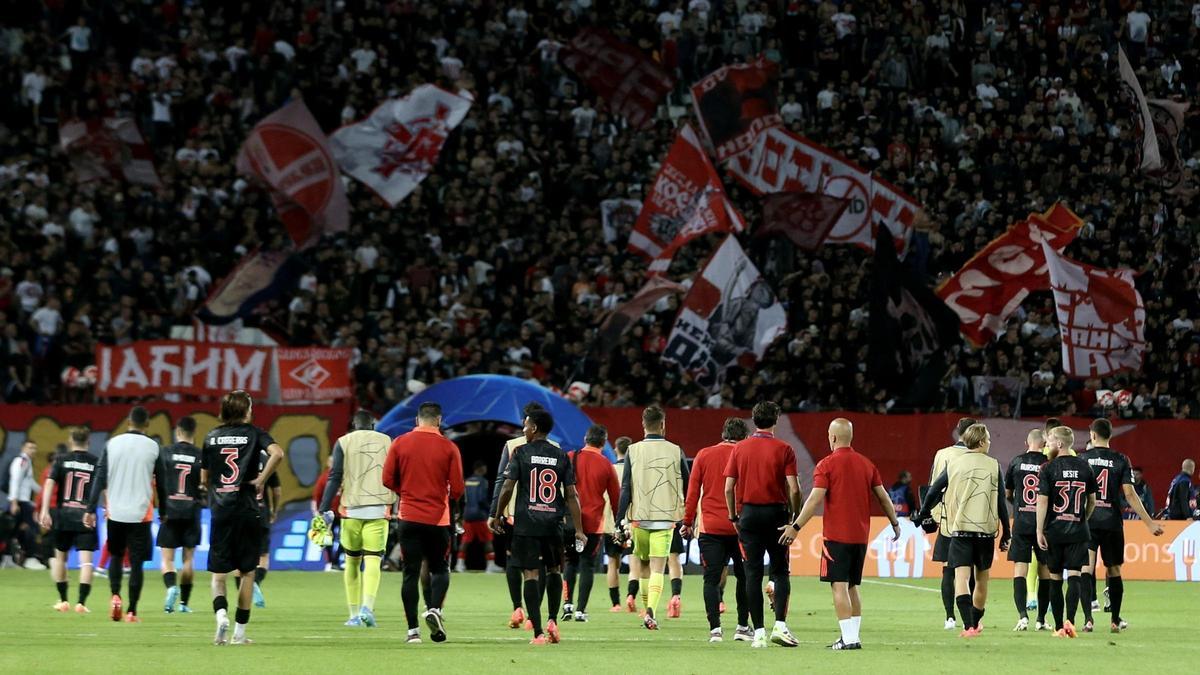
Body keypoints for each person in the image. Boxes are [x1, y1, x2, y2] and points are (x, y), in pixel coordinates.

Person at [782, 418, 900, 650]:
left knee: (839, 586)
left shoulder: (826, 465)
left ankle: (849, 638)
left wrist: (795, 527)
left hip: (836, 537)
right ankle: (852, 636)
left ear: (833, 437)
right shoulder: (867, 464)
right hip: (860, 537)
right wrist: (894, 523)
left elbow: (815, 498)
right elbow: (883, 496)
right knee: (852, 586)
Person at [490, 408, 586, 645]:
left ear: (533, 428)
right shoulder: (561, 455)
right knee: (554, 570)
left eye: (525, 426)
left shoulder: (521, 452)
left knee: (531, 574)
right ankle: (553, 621)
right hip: (554, 523)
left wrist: (497, 514)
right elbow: (572, 495)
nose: (523, 430)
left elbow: (507, 486)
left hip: (527, 524)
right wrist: (580, 529)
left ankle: (538, 633)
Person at [200, 391, 285, 645]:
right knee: (247, 572)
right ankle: (239, 632)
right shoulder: (255, 433)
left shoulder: (211, 437)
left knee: (218, 574)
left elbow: (203, 479)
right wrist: (260, 480)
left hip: (221, 509)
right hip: (248, 509)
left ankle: (221, 615)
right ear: (246, 410)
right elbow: (278, 453)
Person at [915, 423, 1010, 639]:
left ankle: (967, 626)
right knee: (982, 580)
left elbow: (933, 492)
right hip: (985, 532)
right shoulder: (994, 465)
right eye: (988, 438)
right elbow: (1001, 502)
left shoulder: (954, 463)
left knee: (961, 578)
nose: (990, 442)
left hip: (959, 532)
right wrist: (1007, 531)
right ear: (982, 441)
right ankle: (975, 622)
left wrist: (922, 513)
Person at [382, 402, 465, 644]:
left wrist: (405, 491)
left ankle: (412, 632)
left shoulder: (400, 442)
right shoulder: (449, 447)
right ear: (438, 421)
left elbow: (387, 478)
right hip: (438, 518)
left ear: (417, 420)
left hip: (408, 516)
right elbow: (458, 488)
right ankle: (435, 610)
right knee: (439, 568)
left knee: (410, 573)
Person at [723, 401, 801, 648]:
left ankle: (758, 633)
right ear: (776, 420)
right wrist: (794, 517)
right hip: (777, 514)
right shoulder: (785, 448)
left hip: (749, 515)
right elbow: (795, 488)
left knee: (752, 574)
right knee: (780, 570)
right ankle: (780, 625)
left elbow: (728, 487)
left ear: (753, 420)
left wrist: (734, 516)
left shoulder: (740, 448)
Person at [1079, 419, 1163, 633]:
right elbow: (1130, 494)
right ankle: (1115, 620)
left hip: (1087, 522)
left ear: (1092, 434)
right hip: (1111, 522)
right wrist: (1149, 522)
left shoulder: (1083, 459)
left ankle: (1088, 619)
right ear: (1110, 436)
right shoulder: (1121, 459)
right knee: (1113, 569)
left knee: (1086, 569)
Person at [84, 406, 163, 623]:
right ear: (147, 424)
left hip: (116, 511)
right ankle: (131, 611)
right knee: (136, 564)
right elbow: (163, 482)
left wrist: (90, 508)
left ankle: (115, 596)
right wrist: (163, 510)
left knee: (117, 557)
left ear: (128, 422)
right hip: (141, 514)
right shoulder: (153, 447)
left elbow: (99, 478)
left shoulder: (112, 444)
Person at [318, 410, 397, 627]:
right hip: (379, 509)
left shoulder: (343, 442)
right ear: (373, 425)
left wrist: (324, 508)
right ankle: (367, 608)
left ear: (354, 425)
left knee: (352, 561)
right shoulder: (386, 441)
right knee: (373, 560)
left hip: (351, 510)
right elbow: (393, 474)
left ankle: (353, 615)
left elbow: (334, 477)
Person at [617, 404, 689, 631]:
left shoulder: (633, 450)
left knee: (645, 567)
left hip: (639, 518)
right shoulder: (676, 450)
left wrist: (620, 520)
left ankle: (647, 610)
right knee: (659, 568)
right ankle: (651, 612)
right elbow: (688, 486)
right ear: (663, 425)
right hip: (666, 519)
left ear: (643, 425)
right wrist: (690, 516)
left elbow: (626, 487)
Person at [489, 402, 561, 629]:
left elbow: (502, 479)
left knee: (515, 560)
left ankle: (517, 607)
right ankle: (536, 615)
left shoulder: (513, 446)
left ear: (529, 423)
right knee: (544, 564)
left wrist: (495, 512)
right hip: (547, 515)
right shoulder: (555, 447)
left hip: (514, 513)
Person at [682, 417, 751, 643]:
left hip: (711, 528)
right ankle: (742, 627)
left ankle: (715, 630)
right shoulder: (746, 455)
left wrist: (686, 522)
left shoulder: (704, 455)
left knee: (711, 579)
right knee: (745, 578)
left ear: (724, 433)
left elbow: (693, 492)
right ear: (744, 437)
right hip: (741, 527)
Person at [1035, 426, 1097, 638]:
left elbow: (1042, 501)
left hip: (1054, 530)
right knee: (1075, 576)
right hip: (1078, 531)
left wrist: (1039, 529)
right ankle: (1071, 623)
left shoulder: (1048, 468)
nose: (1048, 444)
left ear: (1060, 444)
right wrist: (1083, 519)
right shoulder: (1085, 467)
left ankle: (1059, 626)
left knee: (1055, 579)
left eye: (1050, 440)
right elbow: (1092, 501)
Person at [561, 424, 619, 622]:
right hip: (593, 523)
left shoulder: (570, 457)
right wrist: (619, 523)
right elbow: (616, 497)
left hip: (569, 521)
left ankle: (567, 604)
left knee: (570, 562)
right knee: (587, 565)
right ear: (603, 442)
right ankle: (580, 610)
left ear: (586, 439)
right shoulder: (606, 464)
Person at [38, 427, 98, 613]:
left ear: (71, 441)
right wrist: (108, 507)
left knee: (60, 559)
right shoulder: (96, 462)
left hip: (64, 515)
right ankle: (81, 603)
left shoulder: (61, 460)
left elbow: (49, 484)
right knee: (86, 562)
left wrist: (45, 510)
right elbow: (103, 487)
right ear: (88, 442)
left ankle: (64, 600)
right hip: (85, 516)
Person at [924, 417, 976, 630]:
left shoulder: (942, 454)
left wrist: (931, 514)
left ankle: (949, 617)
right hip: (972, 519)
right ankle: (970, 617)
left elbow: (933, 486)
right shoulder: (979, 457)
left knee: (948, 568)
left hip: (947, 517)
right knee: (968, 568)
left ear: (958, 431)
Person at [156, 416, 203, 614]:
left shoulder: (165, 452)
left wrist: (161, 508)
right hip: (192, 510)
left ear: (177, 432)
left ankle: (171, 588)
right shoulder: (201, 456)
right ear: (194, 433)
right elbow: (204, 484)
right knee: (188, 559)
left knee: (167, 558)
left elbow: (158, 481)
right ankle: (184, 603)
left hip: (170, 510)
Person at [1004, 429, 1050, 631]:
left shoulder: (1015, 462)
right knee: (1045, 571)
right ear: (1044, 443)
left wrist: (1018, 505)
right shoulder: (1049, 463)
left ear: (1027, 442)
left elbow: (1007, 493)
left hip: (1022, 522)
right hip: (1044, 524)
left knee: (1020, 570)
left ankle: (1022, 616)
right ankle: (1041, 619)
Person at [245, 447, 281, 608]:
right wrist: (274, 509)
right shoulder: (268, 460)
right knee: (263, 555)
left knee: (240, 555)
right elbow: (277, 491)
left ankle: (247, 584)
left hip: (242, 510)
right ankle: (256, 583)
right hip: (261, 511)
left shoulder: (240, 456)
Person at [457, 461, 502, 573]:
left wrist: (461, 514)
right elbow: (481, 499)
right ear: (480, 468)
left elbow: (461, 499)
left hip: (467, 515)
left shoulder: (466, 481)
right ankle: (490, 566)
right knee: (487, 540)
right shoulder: (483, 481)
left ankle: (459, 564)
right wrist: (491, 511)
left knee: (465, 541)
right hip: (480, 515)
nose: (486, 470)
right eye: (485, 467)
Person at [7, 440, 44, 569]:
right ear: (23, 448)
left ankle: (8, 559)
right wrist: (14, 502)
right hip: (20, 502)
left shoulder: (27, 462)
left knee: (14, 531)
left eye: (34, 448)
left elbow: (30, 482)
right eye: (30, 447)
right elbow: (14, 481)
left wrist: (44, 492)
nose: (33, 450)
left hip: (23, 502)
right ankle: (30, 558)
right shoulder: (21, 461)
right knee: (32, 527)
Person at [607, 436, 632, 612]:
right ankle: (632, 597)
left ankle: (616, 604)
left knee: (612, 562)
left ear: (616, 449)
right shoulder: (636, 470)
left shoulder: (610, 470)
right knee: (636, 562)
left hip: (612, 522)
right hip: (632, 521)